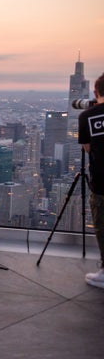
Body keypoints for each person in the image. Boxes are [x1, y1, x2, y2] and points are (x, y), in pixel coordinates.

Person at [78, 72, 104, 289]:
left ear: (96, 93)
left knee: (102, 226)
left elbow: (87, 148)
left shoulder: (87, 116)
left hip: (102, 181)